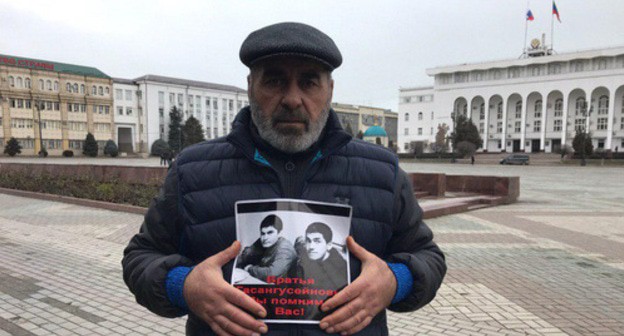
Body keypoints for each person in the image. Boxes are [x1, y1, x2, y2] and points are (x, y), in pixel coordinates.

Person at [122, 22, 446, 336]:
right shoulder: (193, 171)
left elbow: (427, 257)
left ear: (329, 90)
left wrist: (395, 281)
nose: (292, 99)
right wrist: (184, 286)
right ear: (251, 86)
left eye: (309, 82)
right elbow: (141, 257)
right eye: (275, 81)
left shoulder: (381, 172)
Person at [235, 215, 297, 282]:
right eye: (262, 233)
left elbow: (272, 274)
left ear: (279, 233)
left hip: (286, 289)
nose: (265, 238)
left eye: (270, 233)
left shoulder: (285, 249)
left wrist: (250, 268)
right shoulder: (266, 241)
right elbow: (246, 255)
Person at [296, 222, 348, 291]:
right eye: (308, 241)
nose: (311, 247)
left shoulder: (341, 270)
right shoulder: (302, 259)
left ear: (329, 245)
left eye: (317, 241)